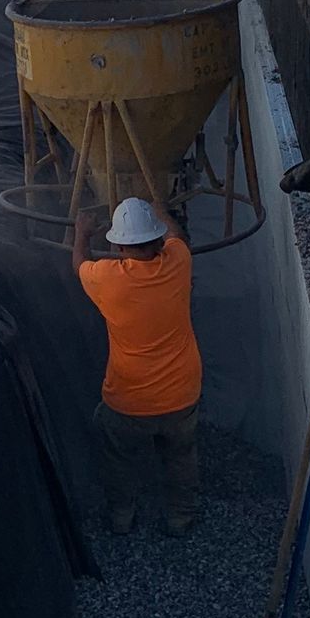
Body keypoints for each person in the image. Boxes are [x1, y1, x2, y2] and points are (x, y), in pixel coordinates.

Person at [74, 196, 202, 534]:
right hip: (181, 394)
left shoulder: (106, 279)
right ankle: (180, 518)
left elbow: (78, 264)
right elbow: (178, 236)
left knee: (118, 459)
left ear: (117, 246)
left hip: (127, 401)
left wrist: (82, 234)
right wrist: (158, 205)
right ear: (158, 241)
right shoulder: (179, 262)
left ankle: (121, 516)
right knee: (180, 457)